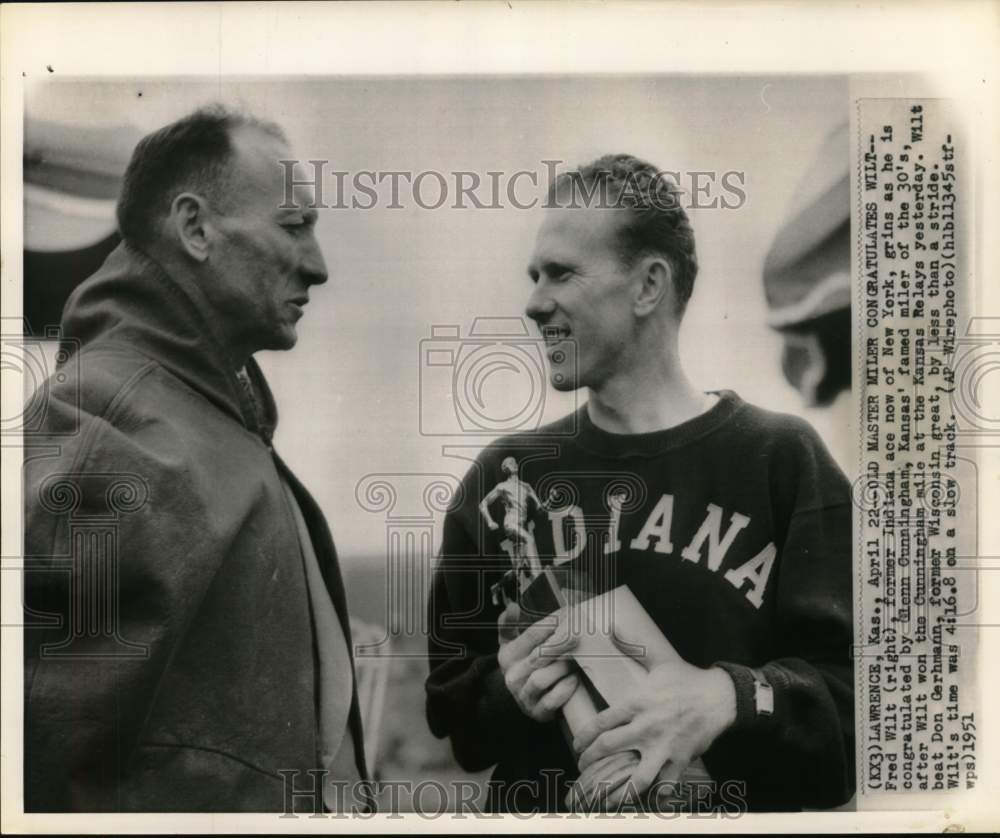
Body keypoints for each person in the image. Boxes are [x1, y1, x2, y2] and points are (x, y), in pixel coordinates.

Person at [425, 154, 855, 813]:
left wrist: (724, 698)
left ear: (648, 285)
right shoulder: (503, 480)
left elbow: (861, 709)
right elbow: (456, 712)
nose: (535, 302)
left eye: (561, 273)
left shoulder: (781, 460)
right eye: (534, 276)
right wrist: (511, 692)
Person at [23, 105, 368, 812]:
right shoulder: (105, 424)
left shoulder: (206, 419)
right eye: (293, 226)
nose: (318, 265)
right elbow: (47, 765)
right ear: (195, 229)